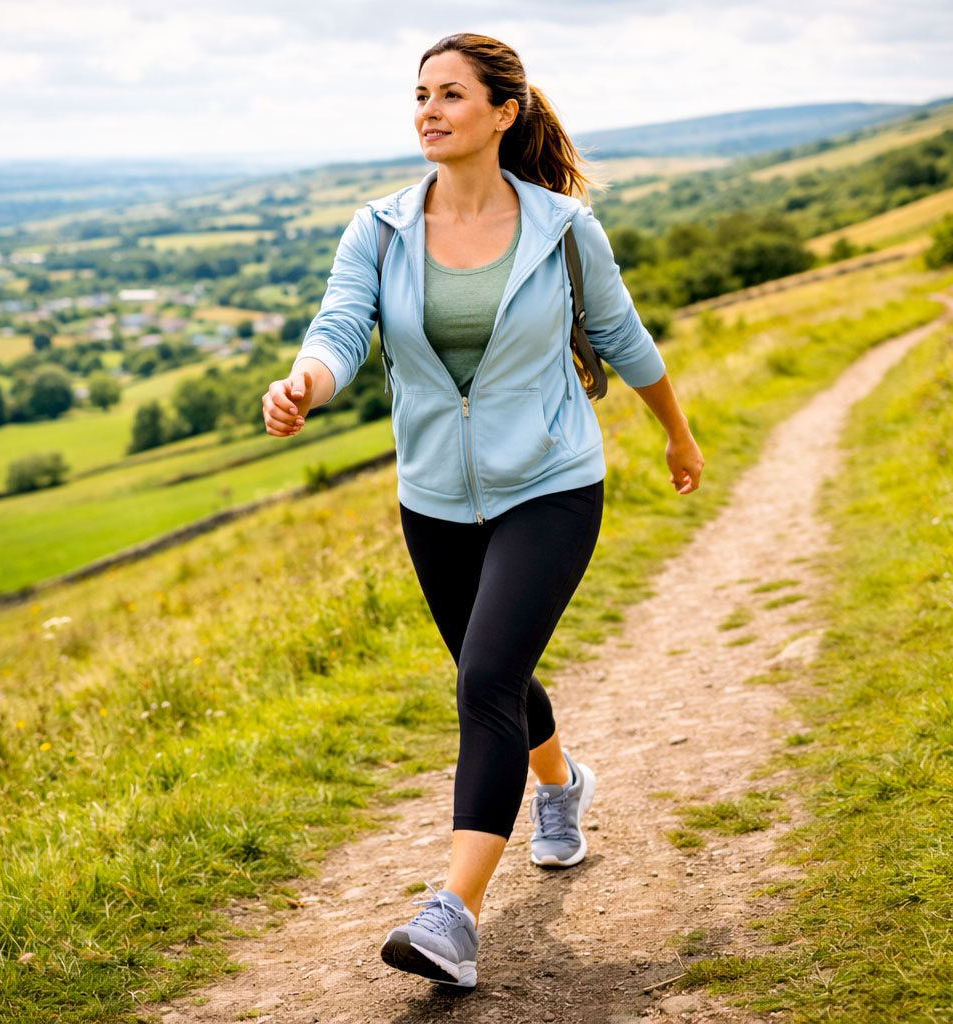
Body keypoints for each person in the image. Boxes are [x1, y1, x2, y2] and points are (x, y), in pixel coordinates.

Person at [261, 33, 704, 991]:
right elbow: (341, 324)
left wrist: (677, 431)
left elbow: (620, 332)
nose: (429, 109)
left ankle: (452, 915)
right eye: (420, 94)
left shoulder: (560, 227)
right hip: (434, 494)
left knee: (486, 680)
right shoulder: (377, 229)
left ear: (504, 112)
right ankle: (561, 785)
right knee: (490, 672)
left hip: (550, 481)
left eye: (451, 94)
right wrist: (306, 380)